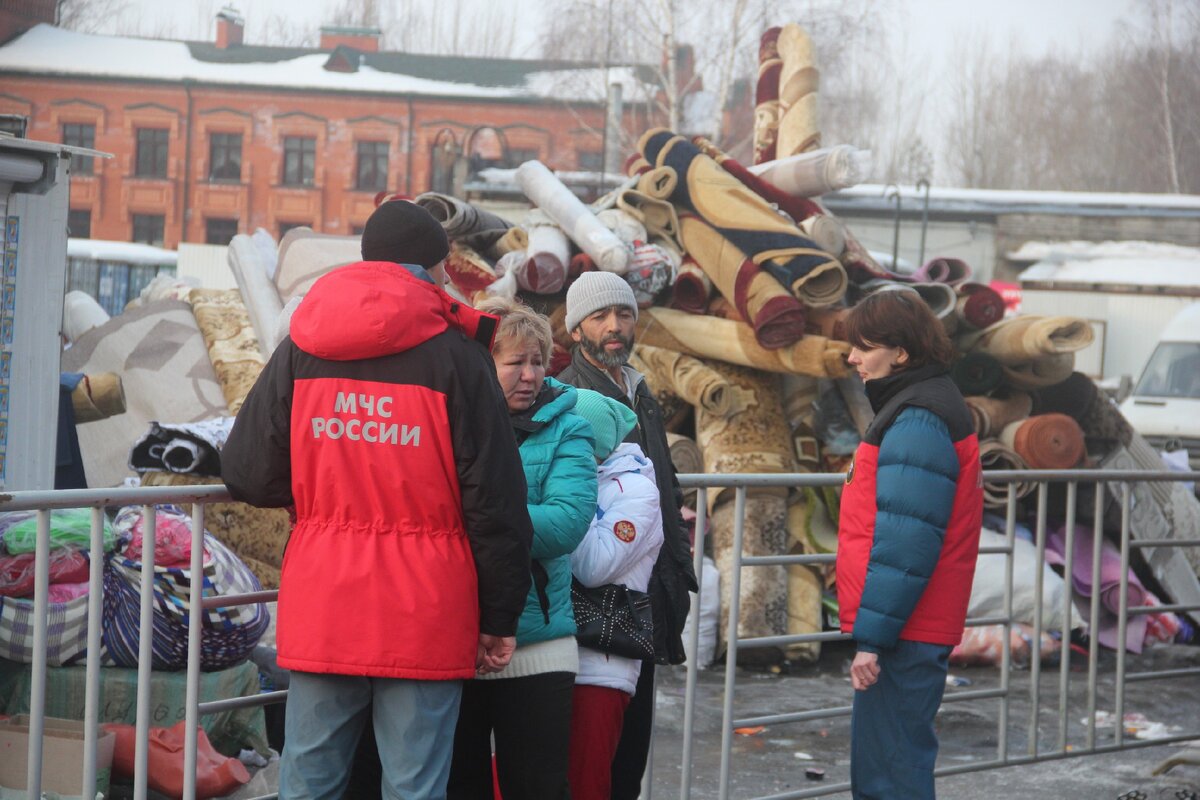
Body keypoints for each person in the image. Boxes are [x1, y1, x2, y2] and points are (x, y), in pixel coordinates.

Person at [221, 199, 534, 800]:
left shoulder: (301, 345)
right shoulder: (460, 356)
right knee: (414, 786)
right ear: (437, 267)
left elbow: (246, 472)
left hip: (325, 599)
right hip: (426, 606)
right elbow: (495, 505)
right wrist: (498, 618)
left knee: (308, 780)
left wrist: (321, 494)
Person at [447, 296, 598, 800]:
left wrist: (477, 521)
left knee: (537, 788)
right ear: (480, 365)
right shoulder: (447, 426)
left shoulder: (569, 428)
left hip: (541, 647)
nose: (529, 375)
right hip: (455, 643)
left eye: (538, 361)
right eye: (514, 362)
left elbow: (566, 523)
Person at [555, 271, 698, 799]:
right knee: (594, 760)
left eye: (623, 314)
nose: (614, 326)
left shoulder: (636, 387)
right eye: (599, 316)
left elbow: (665, 486)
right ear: (575, 329)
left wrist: (678, 571)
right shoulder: (569, 397)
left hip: (646, 593)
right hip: (598, 603)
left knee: (629, 753)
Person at [836, 289, 984, 800]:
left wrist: (874, 640)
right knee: (894, 768)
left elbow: (906, 542)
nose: (852, 357)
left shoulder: (918, 418)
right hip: (911, 624)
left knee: (890, 778)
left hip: (906, 629)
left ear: (900, 353)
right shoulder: (921, 404)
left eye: (864, 346)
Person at [566, 389, 664, 800]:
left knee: (586, 786)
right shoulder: (587, 475)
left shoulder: (636, 492)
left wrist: (566, 497)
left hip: (600, 667)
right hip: (557, 654)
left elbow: (593, 566)